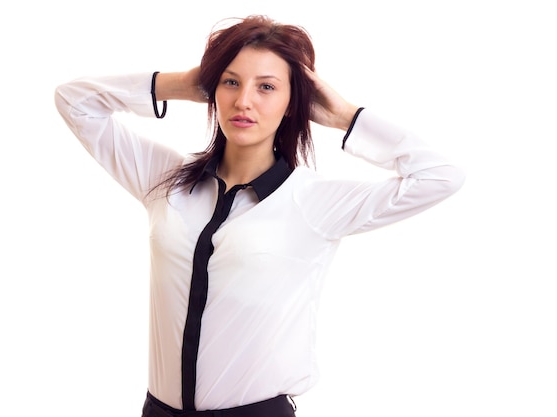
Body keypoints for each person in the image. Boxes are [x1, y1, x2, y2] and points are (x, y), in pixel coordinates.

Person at [55, 14, 464, 417]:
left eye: (266, 87)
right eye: (230, 81)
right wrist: (183, 83)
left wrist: (343, 115)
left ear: (292, 103)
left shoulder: (314, 201)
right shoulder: (165, 179)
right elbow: (74, 101)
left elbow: (441, 176)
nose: (243, 100)